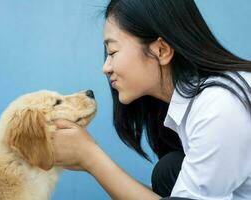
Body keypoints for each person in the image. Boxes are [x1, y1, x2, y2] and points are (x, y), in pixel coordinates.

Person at [52, 0, 251, 199]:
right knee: (168, 171)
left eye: (112, 52)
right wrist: (89, 160)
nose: (106, 67)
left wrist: (91, 158)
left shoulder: (220, 107)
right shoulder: (192, 104)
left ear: (161, 50)